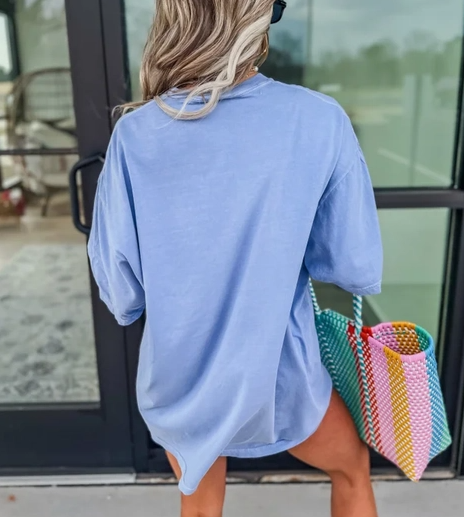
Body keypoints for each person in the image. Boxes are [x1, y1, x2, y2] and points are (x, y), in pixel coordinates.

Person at [87, 1, 383, 516]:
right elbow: (351, 266)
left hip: (182, 379)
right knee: (352, 469)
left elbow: (122, 294)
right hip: (280, 373)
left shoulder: (135, 136)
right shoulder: (317, 119)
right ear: (255, 18)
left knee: (201, 507)